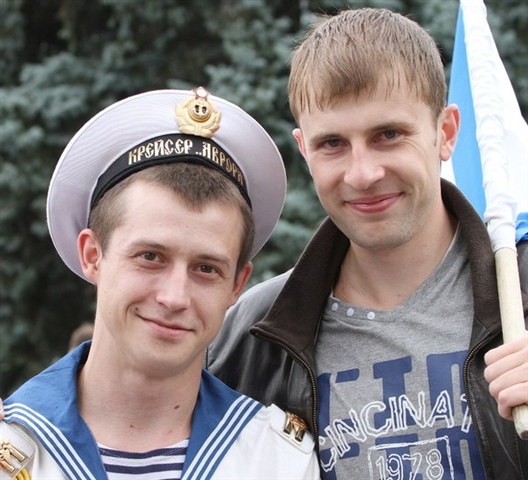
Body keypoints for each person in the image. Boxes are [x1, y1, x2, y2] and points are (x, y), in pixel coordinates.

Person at [207, 7, 528, 480]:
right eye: (332, 144)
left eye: (389, 135)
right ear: (304, 150)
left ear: (445, 133)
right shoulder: (251, 339)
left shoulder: (520, 290)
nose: (362, 174)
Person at [1, 88, 319, 479]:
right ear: (93, 255)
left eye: (206, 269)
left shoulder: (280, 461)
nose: (174, 297)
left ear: (237, 284)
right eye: (150, 257)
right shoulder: (15, 445)